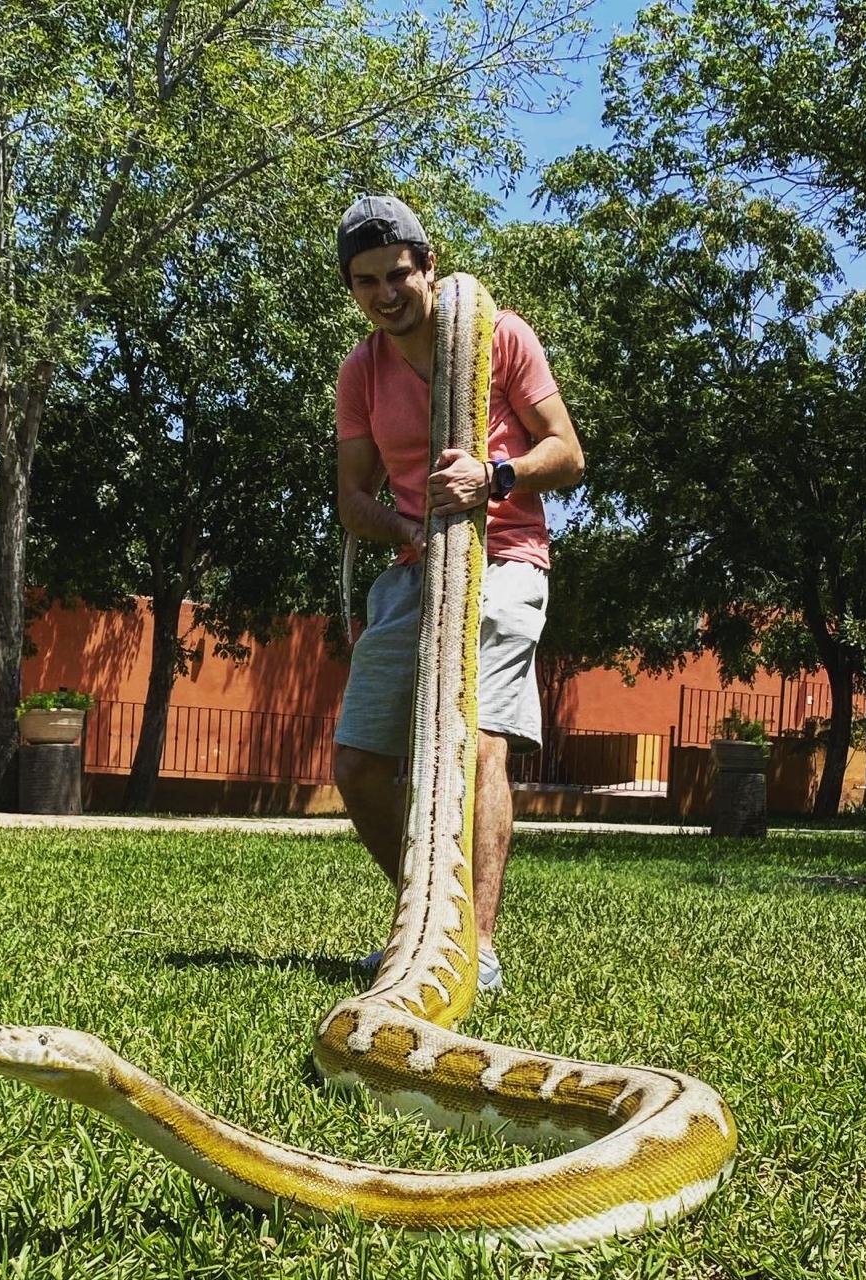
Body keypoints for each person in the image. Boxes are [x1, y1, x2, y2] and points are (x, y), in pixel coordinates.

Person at [332, 194, 585, 994]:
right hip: (414, 564)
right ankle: (424, 923)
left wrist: (494, 476)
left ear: (427, 265)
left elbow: (568, 453)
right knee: (358, 762)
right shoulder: (361, 370)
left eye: (397, 274)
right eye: (366, 281)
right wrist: (406, 530)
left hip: (505, 554)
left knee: (477, 743)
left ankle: (474, 947)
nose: (385, 293)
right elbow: (352, 498)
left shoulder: (498, 335)